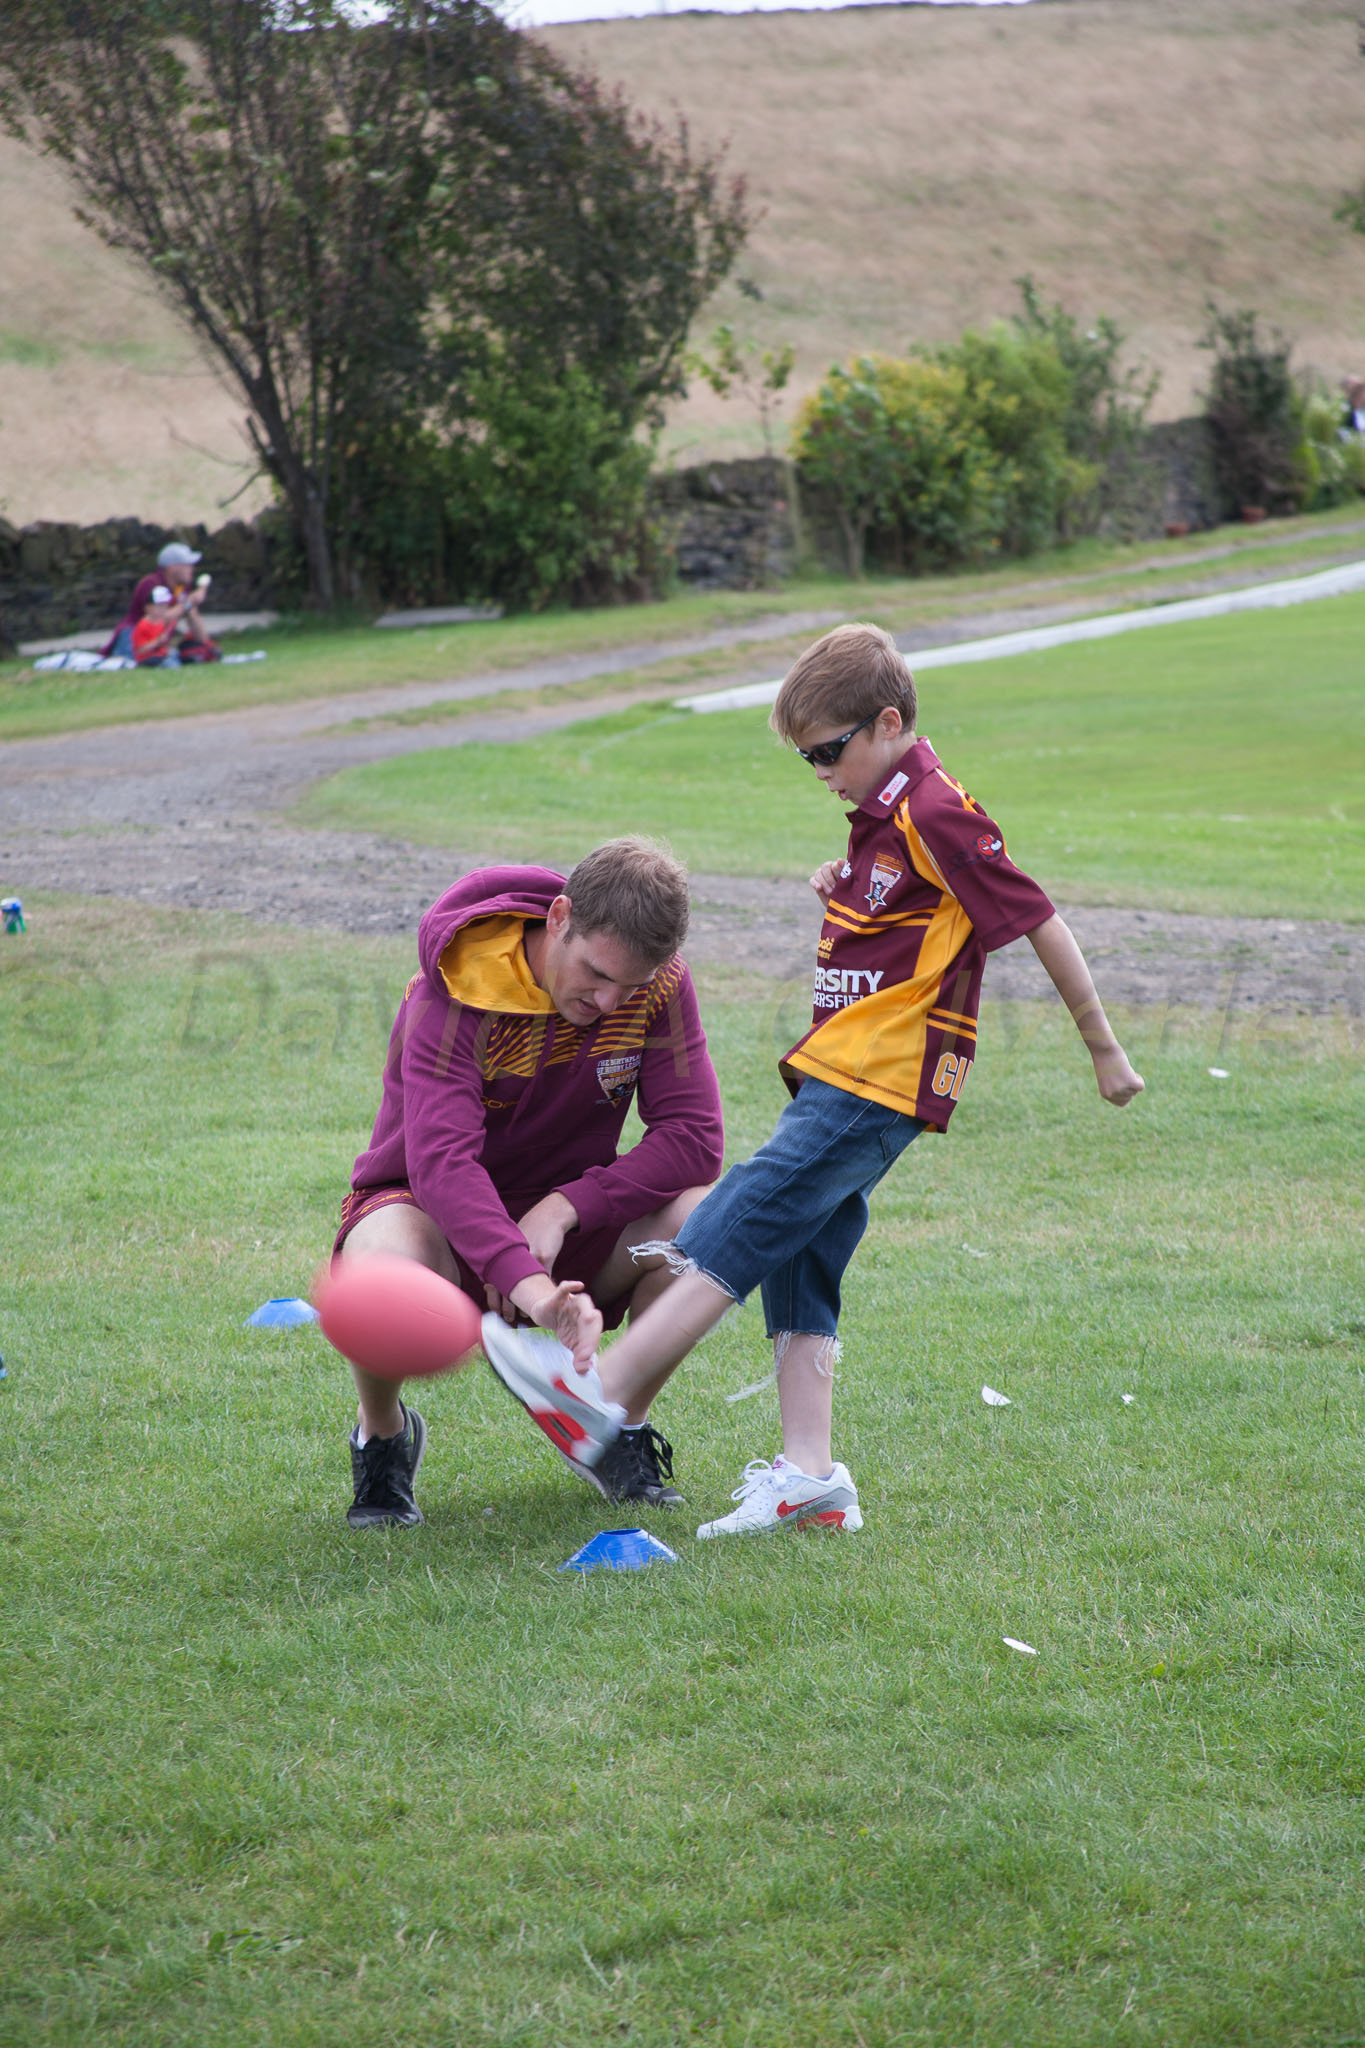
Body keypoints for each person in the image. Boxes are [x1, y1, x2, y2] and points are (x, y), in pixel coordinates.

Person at [484, 623, 1145, 1539]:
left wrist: (1103, 1048)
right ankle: (810, 1475)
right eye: (807, 759)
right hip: (843, 1068)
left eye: (829, 752)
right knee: (803, 1251)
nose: (821, 771)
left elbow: (1035, 918)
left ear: (888, 723)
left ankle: (605, 1387)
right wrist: (848, 889)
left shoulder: (937, 809)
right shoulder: (885, 818)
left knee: (751, 1205)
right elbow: (912, 924)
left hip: (879, 1078)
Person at [335, 837, 725, 1530]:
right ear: (559, 917)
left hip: (566, 1233)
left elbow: (694, 1139)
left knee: (710, 1221)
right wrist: (532, 1289)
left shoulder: (659, 985)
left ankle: (612, 1425)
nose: (608, 1001)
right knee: (379, 1270)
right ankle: (383, 1433)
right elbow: (443, 1164)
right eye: (595, 973)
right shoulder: (458, 984)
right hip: (435, 1220)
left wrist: (565, 1207)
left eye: (629, 986)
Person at [102, 541, 220, 662]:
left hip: (156, 643)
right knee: (131, 662)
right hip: (133, 637)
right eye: (187, 565)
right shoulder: (151, 584)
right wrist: (188, 602)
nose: (192, 569)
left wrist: (207, 645)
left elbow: (198, 631)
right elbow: (158, 618)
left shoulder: (181, 590)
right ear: (172, 567)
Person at [130, 586, 182, 667]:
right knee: (170, 663)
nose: (164, 609)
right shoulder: (143, 625)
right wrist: (158, 641)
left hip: (160, 656)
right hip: (147, 658)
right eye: (160, 606)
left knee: (174, 652)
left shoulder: (161, 623)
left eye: (166, 605)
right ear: (148, 607)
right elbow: (139, 650)